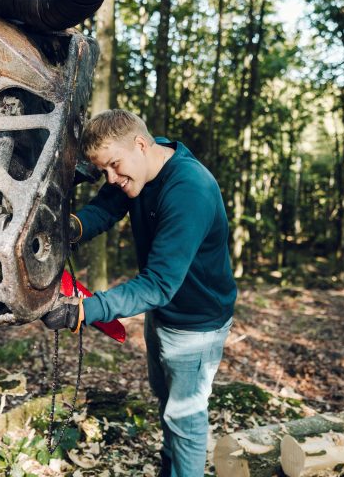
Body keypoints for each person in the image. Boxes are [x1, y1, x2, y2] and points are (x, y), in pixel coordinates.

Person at [41, 109, 237, 477]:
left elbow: (158, 284)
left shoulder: (189, 190)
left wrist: (86, 309)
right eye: (104, 171)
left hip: (196, 327)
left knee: (186, 424)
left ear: (140, 144)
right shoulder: (144, 165)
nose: (111, 178)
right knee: (168, 405)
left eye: (114, 166)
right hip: (163, 314)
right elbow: (105, 208)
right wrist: (71, 228)